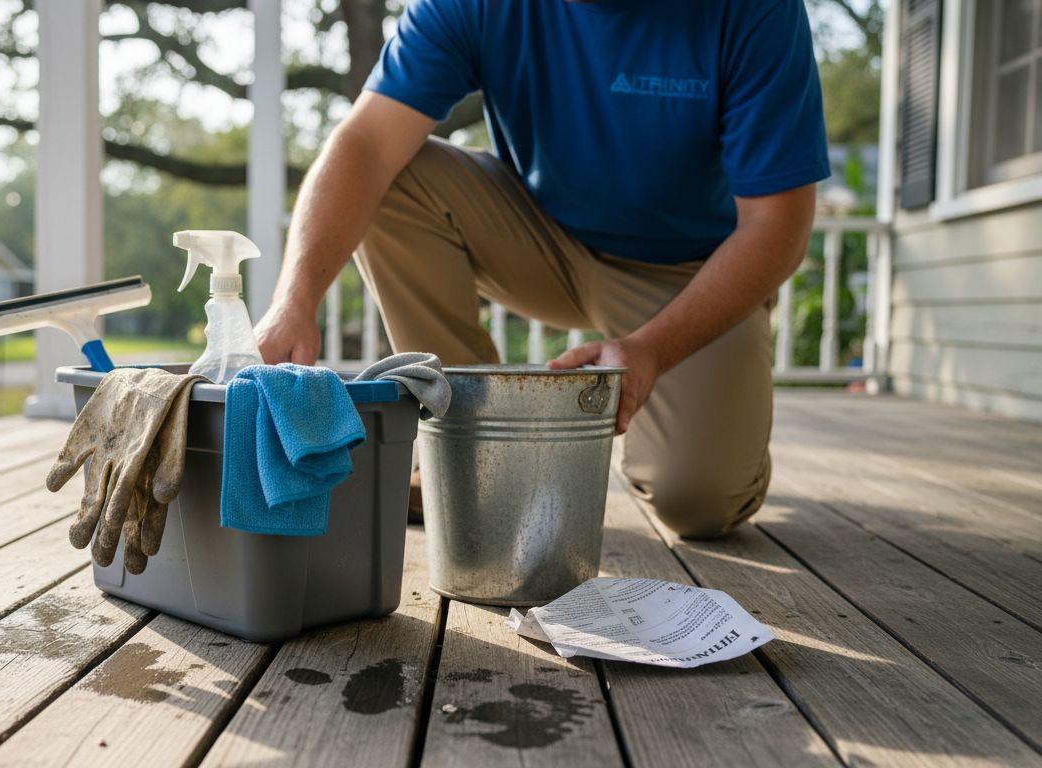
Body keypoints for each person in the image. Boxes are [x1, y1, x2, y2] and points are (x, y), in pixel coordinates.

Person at [253, 0, 829, 539]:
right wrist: (294, 298)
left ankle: (732, 426)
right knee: (394, 179)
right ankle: (470, 454)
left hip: (684, 272)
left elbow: (778, 227)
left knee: (698, 500)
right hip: (537, 237)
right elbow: (367, 144)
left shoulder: (756, 9)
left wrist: (653, 348)